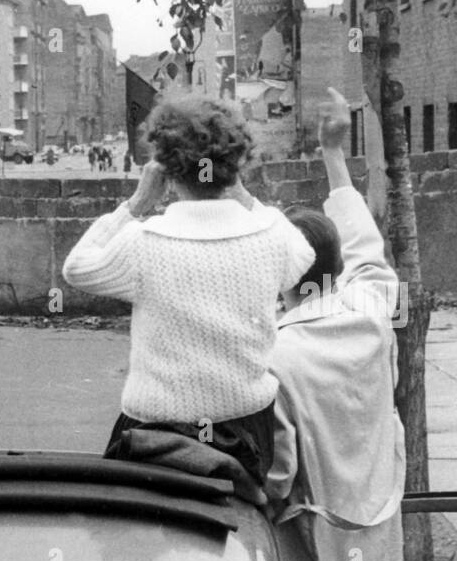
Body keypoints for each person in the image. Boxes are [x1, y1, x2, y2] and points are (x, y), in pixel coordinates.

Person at [61, 93, 315, 489]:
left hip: (154, 430)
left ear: (164, 166)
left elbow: (77, 268)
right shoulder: (271, 237)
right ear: (236, 165)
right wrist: (244, 196)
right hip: (245, 427)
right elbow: (304, 253)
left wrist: (137, 203)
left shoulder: (143, 241)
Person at [266, 88, 405, 561]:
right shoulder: (369, 312)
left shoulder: (278, 360)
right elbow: (370, 253)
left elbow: (279, 473)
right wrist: (333, 156)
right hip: (369, 553)